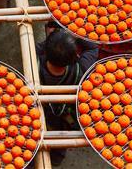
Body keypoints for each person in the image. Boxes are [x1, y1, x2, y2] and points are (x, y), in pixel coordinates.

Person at [36, 22, 98, 166]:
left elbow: (41, 47)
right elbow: (93, 47)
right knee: (60, 140)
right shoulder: (82, 68)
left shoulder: (34, 62)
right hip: (66, 118)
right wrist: (72, 27)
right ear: (75, 56)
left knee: (39, 131)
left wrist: (52, 37)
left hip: (42, 113)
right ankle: (57, 158)